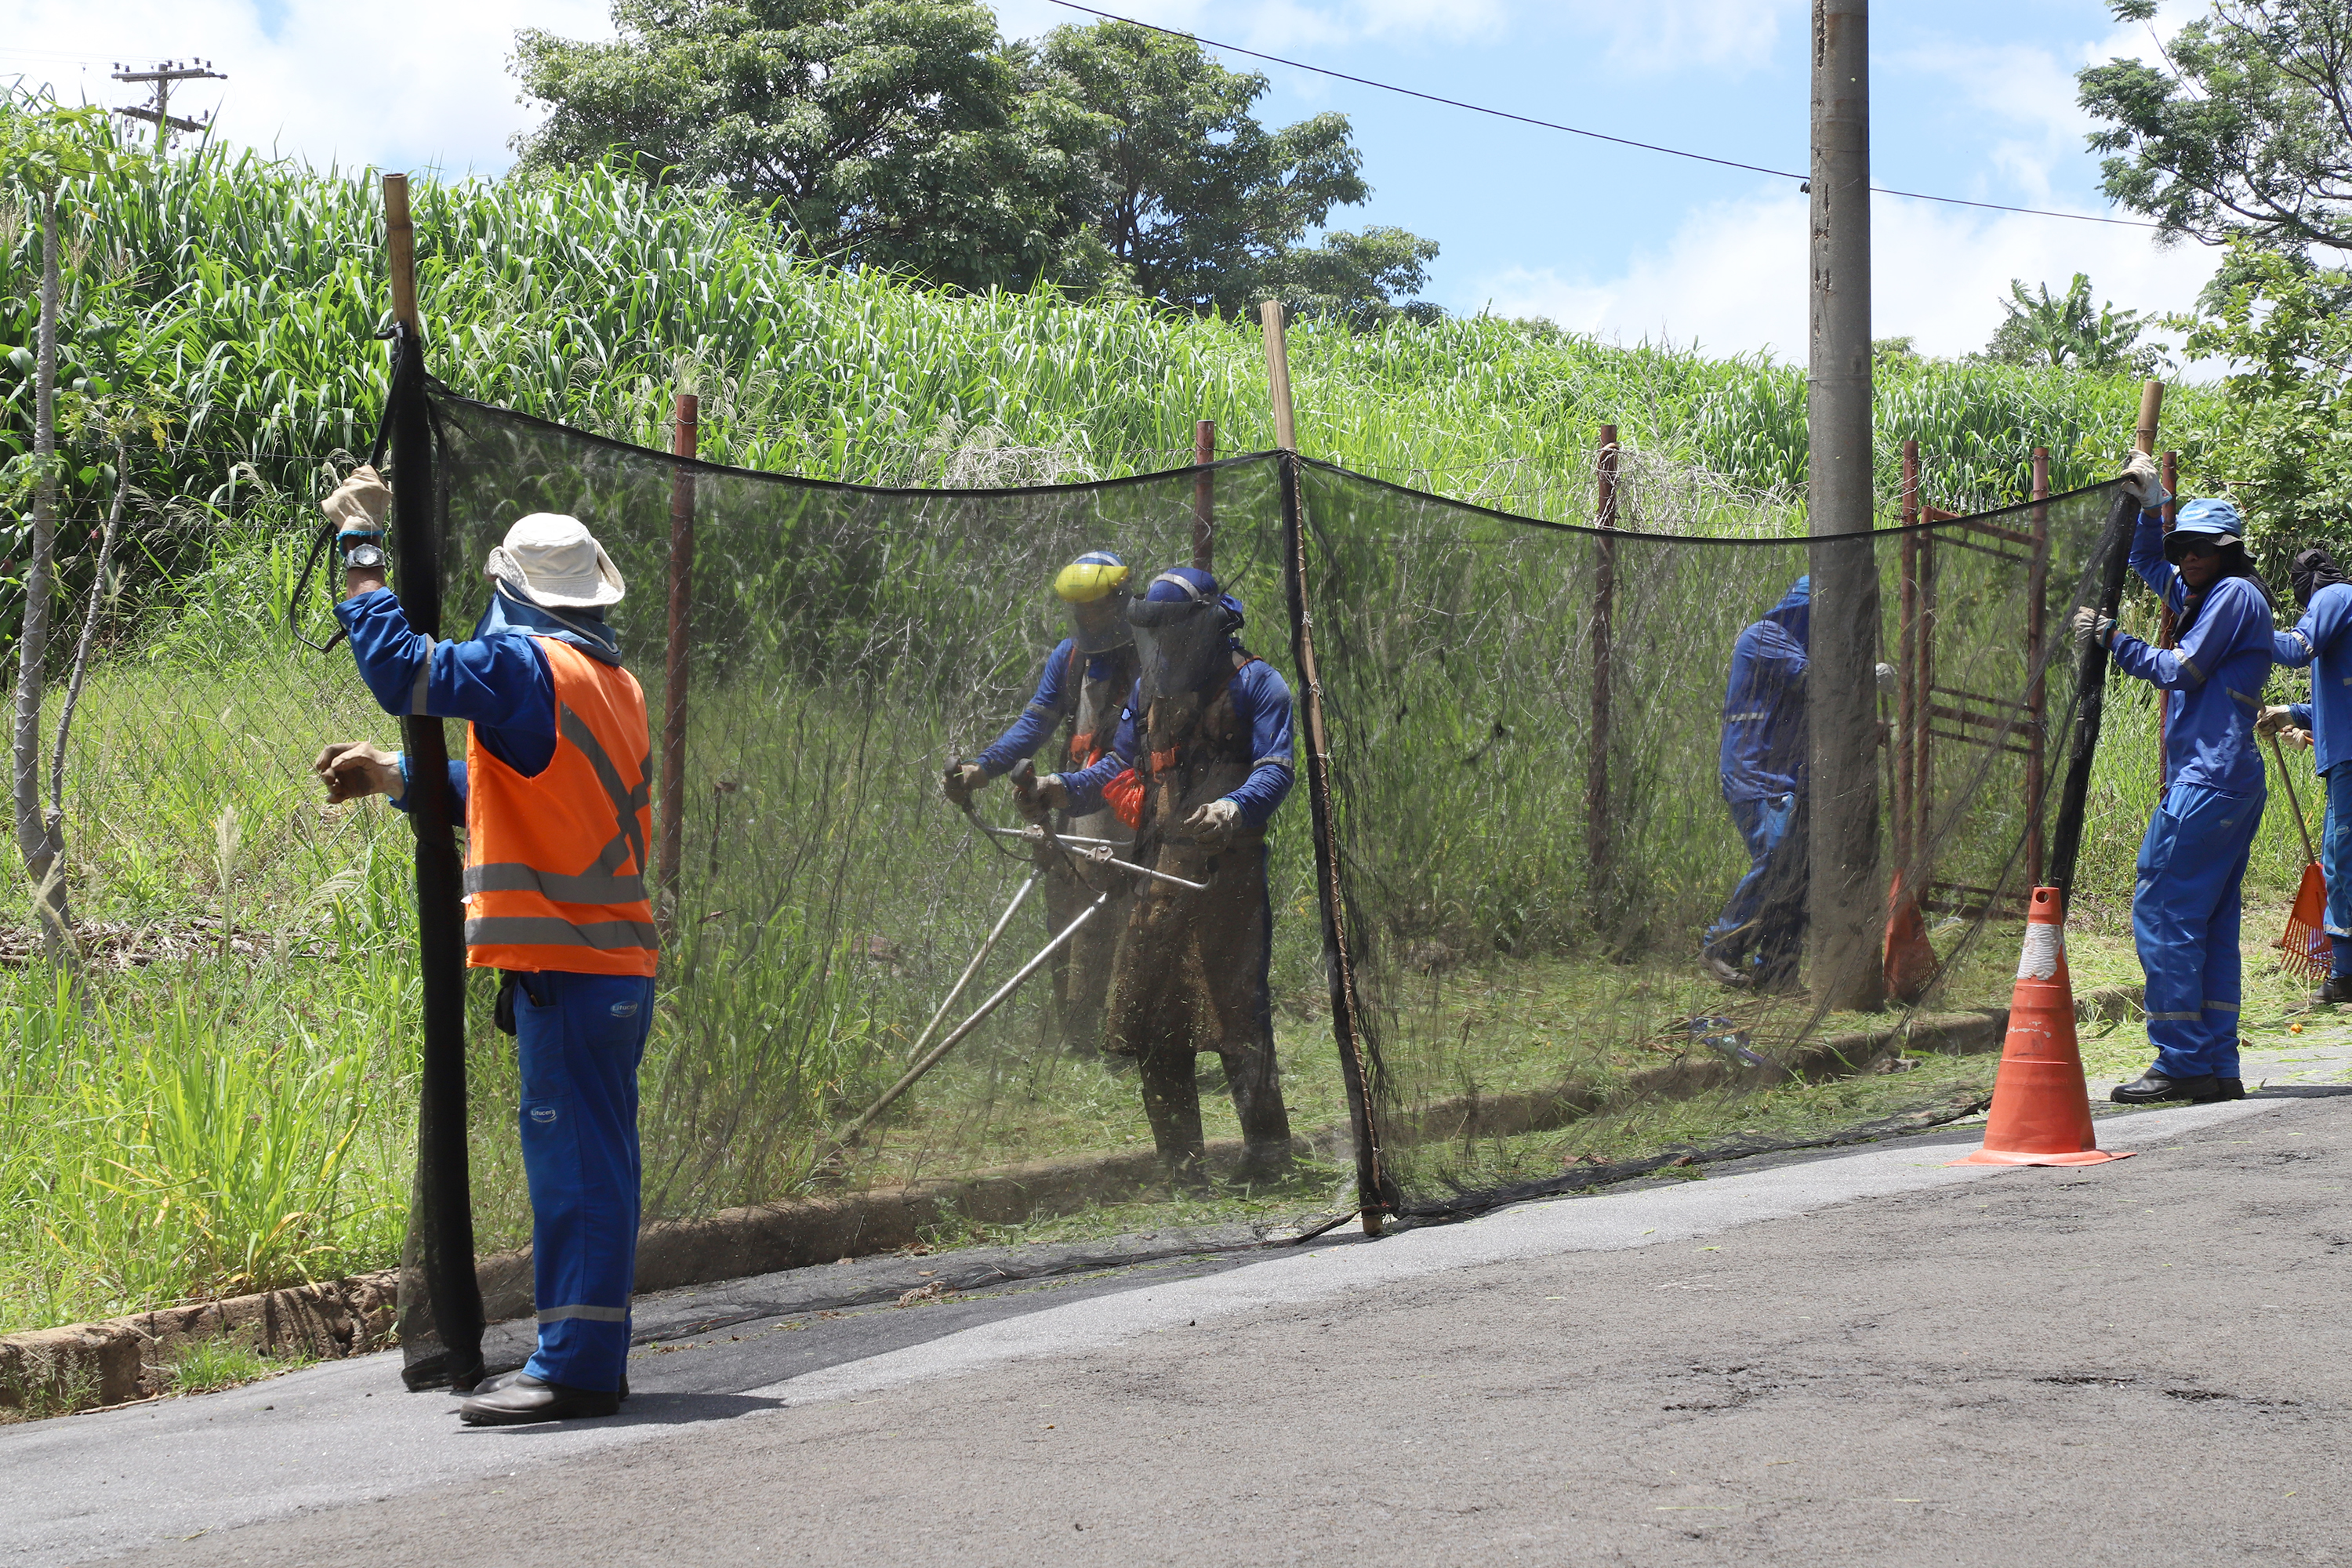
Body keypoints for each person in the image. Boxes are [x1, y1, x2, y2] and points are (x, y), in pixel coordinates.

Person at [313, 474, 654, 1426]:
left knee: (576, 1171)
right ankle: (586, 1354)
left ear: (514, 590)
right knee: (593, 1167)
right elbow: (516, 788)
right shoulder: (608, 683)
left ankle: (578, 1367)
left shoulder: (528, 666)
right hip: (608, 969)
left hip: (573, 970)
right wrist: (396, 775)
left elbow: (398, 667)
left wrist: (360, 540)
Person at [1018, 567, 1295, 1185]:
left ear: (1205, 629)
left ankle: (1268, 1157)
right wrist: (1057, 788)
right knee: (1151, 1014)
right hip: (1158, 871)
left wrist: (1234, 806)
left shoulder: (1259, 684)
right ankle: (1180, 1165)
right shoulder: (1149, 693)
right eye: (1156, 638)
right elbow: (1115, 768)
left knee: (1236, 1020)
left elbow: (1278, 768)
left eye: (1174, 636)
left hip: (1230, 875)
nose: (1163, 650)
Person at [2074, 469, 2274, 1105]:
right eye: (2183, 548)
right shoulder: (2199, 591)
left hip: (2209, 782)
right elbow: (2142, 557)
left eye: (2201, 549)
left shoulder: (2233, 595)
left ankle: (2182, 1060)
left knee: (2163, 912)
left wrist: (2114, 639)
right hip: (2224, 782)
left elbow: (2182, 671)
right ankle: (2214, 1064)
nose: (2187, 559)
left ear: (2227, 551)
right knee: (2208, 922)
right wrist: (2152, 504)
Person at [942, 551, 1140, 1049]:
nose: (1088, 619)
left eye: (1096, 607)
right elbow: (1037, 722)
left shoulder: (1148, 657)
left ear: (1119, 599)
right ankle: (1074, 1033)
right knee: (1062, 905)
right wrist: (981, 768)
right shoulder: (1071, 656)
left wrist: (1070, 788)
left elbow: (1130, 751)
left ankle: (1119, 1035)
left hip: (1125, 797)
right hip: (1069, 790)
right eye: (1080, 610)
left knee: (1109, 912)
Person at [1702, 576, 1812, 992]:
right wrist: (1862, 676)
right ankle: (1722, 944)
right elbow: (1814, 680)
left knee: (1796, 870)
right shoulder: (1767, 637)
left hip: (1783, 776)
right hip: (1755, 774)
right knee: (1780, 855)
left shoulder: (1797, 644)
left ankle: (1777, 971)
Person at [2259, 544, 2352, 1004]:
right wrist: (2288, 712)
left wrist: (2241, 628)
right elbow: (2338, 701)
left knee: (2341, 860)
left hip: (2349, 758)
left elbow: (2297, 648)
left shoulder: (2333, 596)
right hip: (2343, 751)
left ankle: (2346, 972)